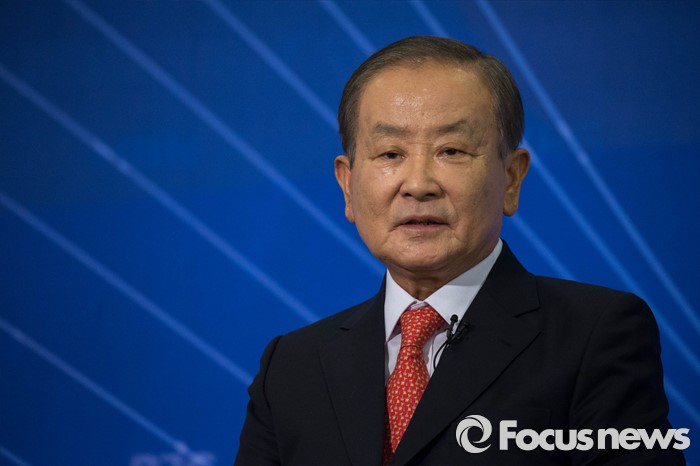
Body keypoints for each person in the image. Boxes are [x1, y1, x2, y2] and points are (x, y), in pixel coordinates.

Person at [235, 36, 684, 465]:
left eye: (451, 150)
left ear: (512, 179)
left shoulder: (595, 335)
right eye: (390, 154)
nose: (418, 185)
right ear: (348, 185)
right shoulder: (291, 367)